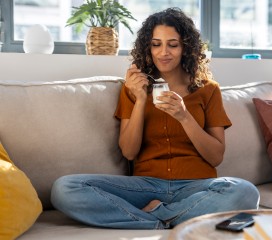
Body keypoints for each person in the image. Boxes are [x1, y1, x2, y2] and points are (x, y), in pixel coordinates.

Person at [51, 7, 259, 229]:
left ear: (186, 47)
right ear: (147, 47)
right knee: (65, 188)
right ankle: (168, 220)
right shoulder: (132, 89)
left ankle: (156, 216)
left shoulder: (208, 90)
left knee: (245, 191)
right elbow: (129, 152)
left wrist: (184, 117)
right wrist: (140, 100)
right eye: (156, 44)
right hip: (144, 187)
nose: (163, 52)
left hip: (197, 186)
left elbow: (216, 156)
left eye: (173, 44)